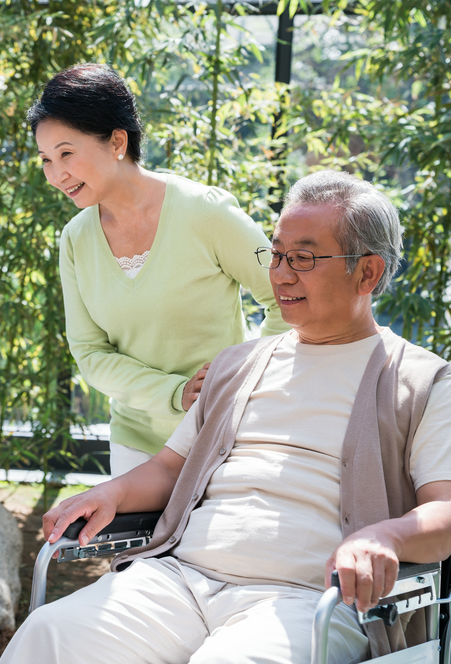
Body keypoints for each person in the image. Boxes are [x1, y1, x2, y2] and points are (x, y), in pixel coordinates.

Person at [0, 170, 451, 664]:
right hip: (181, 580)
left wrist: (385, 537)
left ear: (367, 273)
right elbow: (169, 468)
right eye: (275, 255)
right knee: (49, 634)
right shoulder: (237, 364)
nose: (280, 274)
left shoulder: (420, 379)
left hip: (310, 602)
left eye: (303, 257)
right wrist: (112, 493)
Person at [30, 64, 289, 477]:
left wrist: (244, 377)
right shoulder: (76, 239)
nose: (56, 174)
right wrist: (175, 393)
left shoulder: (205, 211)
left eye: (66, 153)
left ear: (117, 141)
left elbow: (285, 295)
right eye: (46, 159)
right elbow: (90, 353)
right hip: (136, 442)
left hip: (222, 434)